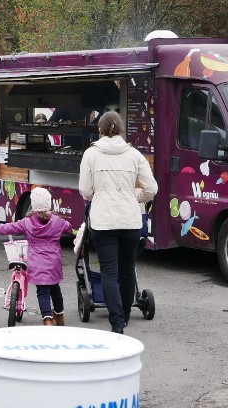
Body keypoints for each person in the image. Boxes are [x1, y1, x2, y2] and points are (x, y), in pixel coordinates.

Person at [79, 111, 157, 334]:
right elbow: (152, 189)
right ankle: (124, 314)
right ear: (122, 130)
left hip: (104, 221)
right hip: (130, 220)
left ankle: (117, 323)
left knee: (109, 272)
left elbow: (85, 191)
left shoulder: (91, 154)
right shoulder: (134, 155)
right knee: (127, 269)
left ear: (100, 130)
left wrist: (100, 195)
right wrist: (134, 196)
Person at [0, 186, 72, 326]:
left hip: (37, 261)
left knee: (42, 291)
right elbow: (68, 227)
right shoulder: (58, 221)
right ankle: (59, 315)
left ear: (33, 204)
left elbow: (10, 227)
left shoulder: (27, 222)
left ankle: (47, 319)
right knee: (55, 288)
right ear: (48, 203)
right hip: (54, 261)